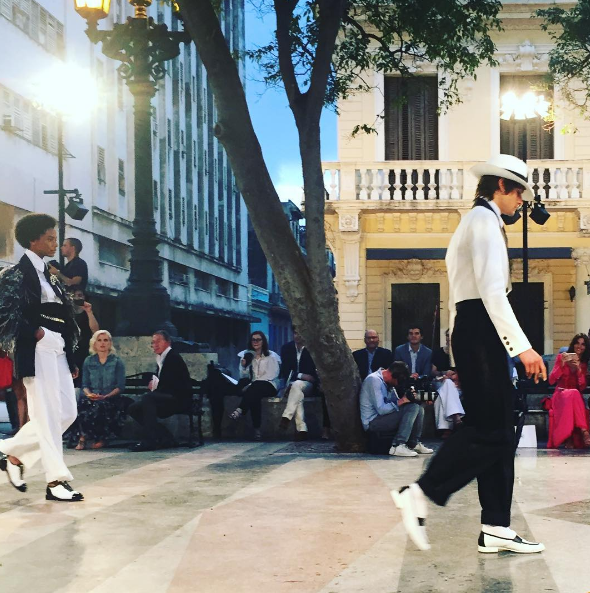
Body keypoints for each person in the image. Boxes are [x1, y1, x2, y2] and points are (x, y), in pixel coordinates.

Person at [391, 154, 546, 554]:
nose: (521, 202)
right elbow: (492, 292)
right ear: (501, 186)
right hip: (481, 329)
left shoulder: (479, 220)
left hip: (475, 329)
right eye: (518, 193)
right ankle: (421, 491)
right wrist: (523, 348)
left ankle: (495, 527)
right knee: (490, 429)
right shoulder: (483, 222)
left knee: (499, 429)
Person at [0, 213, 83, 502]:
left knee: (67, 413)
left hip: (58, 349)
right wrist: (37, 334)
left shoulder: (50, 275)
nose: (55, 243)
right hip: (37, 350)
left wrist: (70, 356)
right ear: (33, 240)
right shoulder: (15, 275)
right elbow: (5, 316)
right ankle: (56, 481)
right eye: (49, 238)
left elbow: (64, 317)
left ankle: (11, 454)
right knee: (46, 416)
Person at [128, 330, 193, 451]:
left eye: (158, 341)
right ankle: (165, 436)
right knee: (133, 408)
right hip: (167, 396)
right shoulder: (162, 358)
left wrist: (156, 386)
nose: (155, 345)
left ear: (168, 342)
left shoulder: (173, 357)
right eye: (153, 342)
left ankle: (150, 441)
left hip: (179, 399)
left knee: (148, 398)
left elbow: (172, 384)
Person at [360, 361, 433, 457]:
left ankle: (413, 443)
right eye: (399, 381)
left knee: (418, 407)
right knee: (412, 408)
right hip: (372, 422)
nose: (398, 384)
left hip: (384, 417)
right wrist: (402, 401)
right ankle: (398, 445)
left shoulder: (388, 383)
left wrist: (413, 398)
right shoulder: (374, 380)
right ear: (393, 376)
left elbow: (396, 403)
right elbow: (381, 409)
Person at [75, 330, 126, 450]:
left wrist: (106, 396)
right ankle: (82, 437)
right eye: (99, 340)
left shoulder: (117, 362)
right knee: (83, 404)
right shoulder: (88, 361)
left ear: (110, 343)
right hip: (93, 396)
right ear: (94, 343)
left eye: (105, 340)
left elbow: (120, 386)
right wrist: (90, 394)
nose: (102, 343)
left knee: (101, 405)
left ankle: (101, 438)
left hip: (111, 397)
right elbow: (85, 384)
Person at [228, 331, 280, 441]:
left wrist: (253, 383)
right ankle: (257, 430)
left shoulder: (271, 356)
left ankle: (240, 410)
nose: (255, 342)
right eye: (253, 340)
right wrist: (244, 366)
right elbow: (243, 376)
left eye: (258, 340)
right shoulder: (247, 355)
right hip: (254, 387)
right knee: (254, 396)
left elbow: (272, 374)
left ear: (263, 341)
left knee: (254, 388)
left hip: (269, 385)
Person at [546, 333, 590, 449]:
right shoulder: (561, 358)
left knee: (574, 393)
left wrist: (579, 370)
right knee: (574, 393)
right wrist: (561, 365)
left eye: (583, 344)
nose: (579, 346)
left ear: (586, 348)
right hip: (560, 394)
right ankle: (584, 431)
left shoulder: (583, 363)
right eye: (577, 343)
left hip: (575, 398)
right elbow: (551, 380)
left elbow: (582, 387)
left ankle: (569, 438)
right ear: (573, 344)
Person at [278, 327, 318, 441]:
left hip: (308, 385)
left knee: (297, 386)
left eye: (300, 333)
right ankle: (302, 430)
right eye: (295, 333)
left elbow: (313, 374)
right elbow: (285, 370)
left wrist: (303, 377)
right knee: (297, 393)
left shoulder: (312, 349)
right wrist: (301, 375)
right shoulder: (287, 348)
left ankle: (287, 416)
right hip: (292, 384)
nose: (297, 336)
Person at [433, 370, 464, 437]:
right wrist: (443, 374)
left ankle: (446, 429)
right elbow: (433, 372)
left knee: (441, 396)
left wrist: (453, 376)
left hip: (456, 389)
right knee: (447, 383)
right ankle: (456, 416)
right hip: (443, 385)